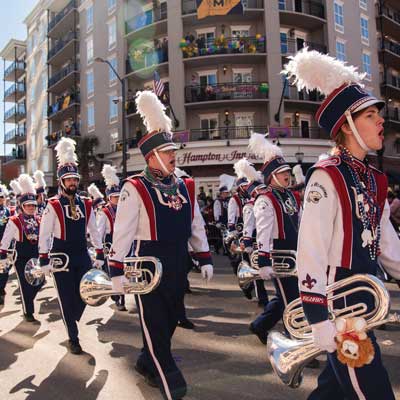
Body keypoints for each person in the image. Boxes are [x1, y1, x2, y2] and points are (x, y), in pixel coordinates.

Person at [283, 48, 400, 399]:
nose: (381, 121)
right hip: (339, 309)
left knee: (333, 392)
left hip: (363, 303)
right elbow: (312, 250)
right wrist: (317, 316)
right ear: (347, 126)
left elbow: (387, 243)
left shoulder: (374, 179)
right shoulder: (326, 177)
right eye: (370, 115)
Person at [108, 91, 213, 400]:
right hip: (147, 266)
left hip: (178, 260)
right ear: (151, 156)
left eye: (173, 150)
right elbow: (123, 231)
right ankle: (172, 384)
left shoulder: (185, 185)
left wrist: (204, 255)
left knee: (169, 321)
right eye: (167, 151)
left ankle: (145, 361)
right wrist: (116, 269)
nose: (173, 155)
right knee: (155, 326)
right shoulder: (135, 187)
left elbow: (196, 223)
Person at [38, 138, 104, 355]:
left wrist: (100, 251)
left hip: (81, 254)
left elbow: (94, 229)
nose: (73, 183)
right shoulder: (53, 205)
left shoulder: (86, 203)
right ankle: (73, 338)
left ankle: (71, 318)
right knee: (66, 297)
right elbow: (45, 233)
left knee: (86, 293)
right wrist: (44, 258)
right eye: (68, 180)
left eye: (75, 179)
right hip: (60, 255)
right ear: (61, 182)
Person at [247, 133, 301, 345]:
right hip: (279, 253)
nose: (287, 175)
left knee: (285, 298)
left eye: (288, 171)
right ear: (271, 176)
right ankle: (295, 340)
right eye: (282, 172)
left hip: (295, 251)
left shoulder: (290, 196)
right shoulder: (265, 199)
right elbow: (263, 231)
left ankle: (260, 325)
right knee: (292, 301)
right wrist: (264, 260)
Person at [0, 174, 43, 322]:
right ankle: (28, 312)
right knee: (25, 285)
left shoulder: (39, 219)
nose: (31, 208)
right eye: (28, 205)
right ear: (22, 206)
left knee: (40, 281)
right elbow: (6, 238)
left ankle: (29, 301)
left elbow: (45, 238)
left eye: (33, 205)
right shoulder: (15, 221)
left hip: (36, 256)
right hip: (22, 257)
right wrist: (3, 254)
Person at [97, 164, 126, 311]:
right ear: (109, 197)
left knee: (125, 270)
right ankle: (118, 298)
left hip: (124, 242)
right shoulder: (104, 212)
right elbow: (99, 231)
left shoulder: (125, 209)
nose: (117, 199)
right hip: (110, 244)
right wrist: (99, 249)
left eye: (119, 197)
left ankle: (121, 296)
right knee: (115, 272)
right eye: (115, 197)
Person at [0, 184, 11, 305]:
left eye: (1, 196)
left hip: (5, 246)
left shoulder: (7, 211)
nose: (0, 199)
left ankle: (1, 290)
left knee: (4, 270)